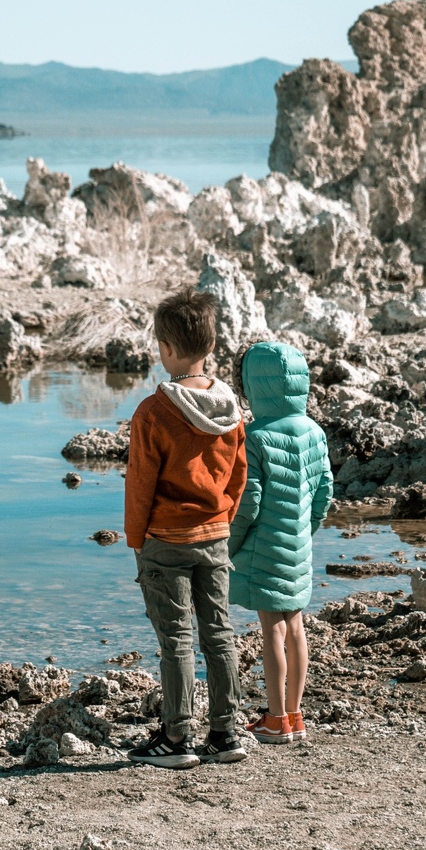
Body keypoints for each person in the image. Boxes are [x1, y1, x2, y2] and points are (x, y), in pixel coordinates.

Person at [124, 289, 249, 769]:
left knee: (175, 638)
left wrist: (137, 540)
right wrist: (222, 519)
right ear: (211, 346)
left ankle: (177, 739)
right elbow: (239, 473)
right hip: (214, 536)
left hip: (166, 541)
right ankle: (225, 732)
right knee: (219, 632)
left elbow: (140, 485)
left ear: (167, 350)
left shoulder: (154, 412)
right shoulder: (229, 408)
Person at [228, 341, 333, 745]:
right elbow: (324, 492)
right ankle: (294, 714)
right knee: (295, 627)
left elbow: (248, 502)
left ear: (252, 386)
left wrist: (228, 547)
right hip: (298, 545)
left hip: (262, 548)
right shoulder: (314, 431)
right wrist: (305, 533)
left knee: (271, 628)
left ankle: (274, 720)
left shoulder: (253, 436)